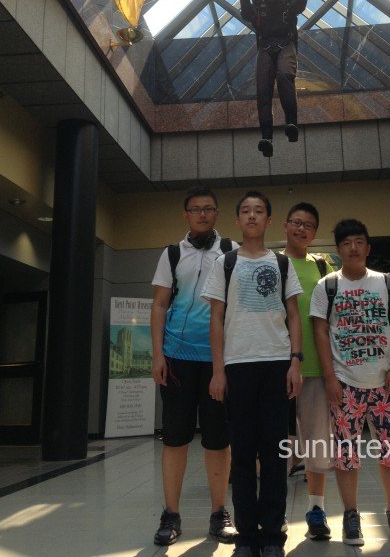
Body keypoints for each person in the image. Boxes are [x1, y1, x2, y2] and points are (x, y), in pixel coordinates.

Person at [203, 190, 303, 557]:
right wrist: (218, 370)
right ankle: (246, 535)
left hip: (276, 363)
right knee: (243, 453)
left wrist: (295, 361)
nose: (252, 216)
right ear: (237, 219)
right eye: (245, 210)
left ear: (269, 220)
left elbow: (294, 315)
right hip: (238, 365)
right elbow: (216, 318)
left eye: (259, 211)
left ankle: (272, 534)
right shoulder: (225, 263)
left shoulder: (282, 263)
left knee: (275, 454)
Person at [311, 219, 390, 546]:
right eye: (346, 243)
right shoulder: (327, 286)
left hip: (385, 386)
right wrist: (330, 378)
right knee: (346, 456)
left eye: (358, 242)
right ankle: (350, 515)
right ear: (338, 249)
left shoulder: (386, 283)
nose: (353, 248)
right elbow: (320, 331)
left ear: (367, 248)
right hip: (345, 385)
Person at [150, 186, 238, 546]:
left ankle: (219, 514)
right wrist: (158, 355)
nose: (202, 214)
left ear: (216, 213)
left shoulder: (231, 252)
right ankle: (171, 515)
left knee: (218, 440)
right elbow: (159, 305)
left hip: (219, 362)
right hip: (177, 360)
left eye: (208, 209)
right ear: (185, 215)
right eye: (196, 209)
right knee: (175, 439)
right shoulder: (172, 254)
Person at [282, 202, 334, 541]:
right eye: (297, 222)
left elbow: (350, 286)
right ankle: (276, 512)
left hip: (317, 367)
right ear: (286, 226)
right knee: (279, 445)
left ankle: (316, 510)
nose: (302, 229)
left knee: (317, 443)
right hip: (280, 368)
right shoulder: (272, 263)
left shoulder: (323, 265)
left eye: (309, 225)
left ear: (314, 233)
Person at [236, 0, 310, 158]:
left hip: (286, 44)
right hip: (266, 48)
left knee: (285, 76)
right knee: (263, 89)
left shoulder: (288, 2)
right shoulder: (258, 7)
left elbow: (301, 1)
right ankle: (266, 136)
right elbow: (246, 12)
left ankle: (291, 122)